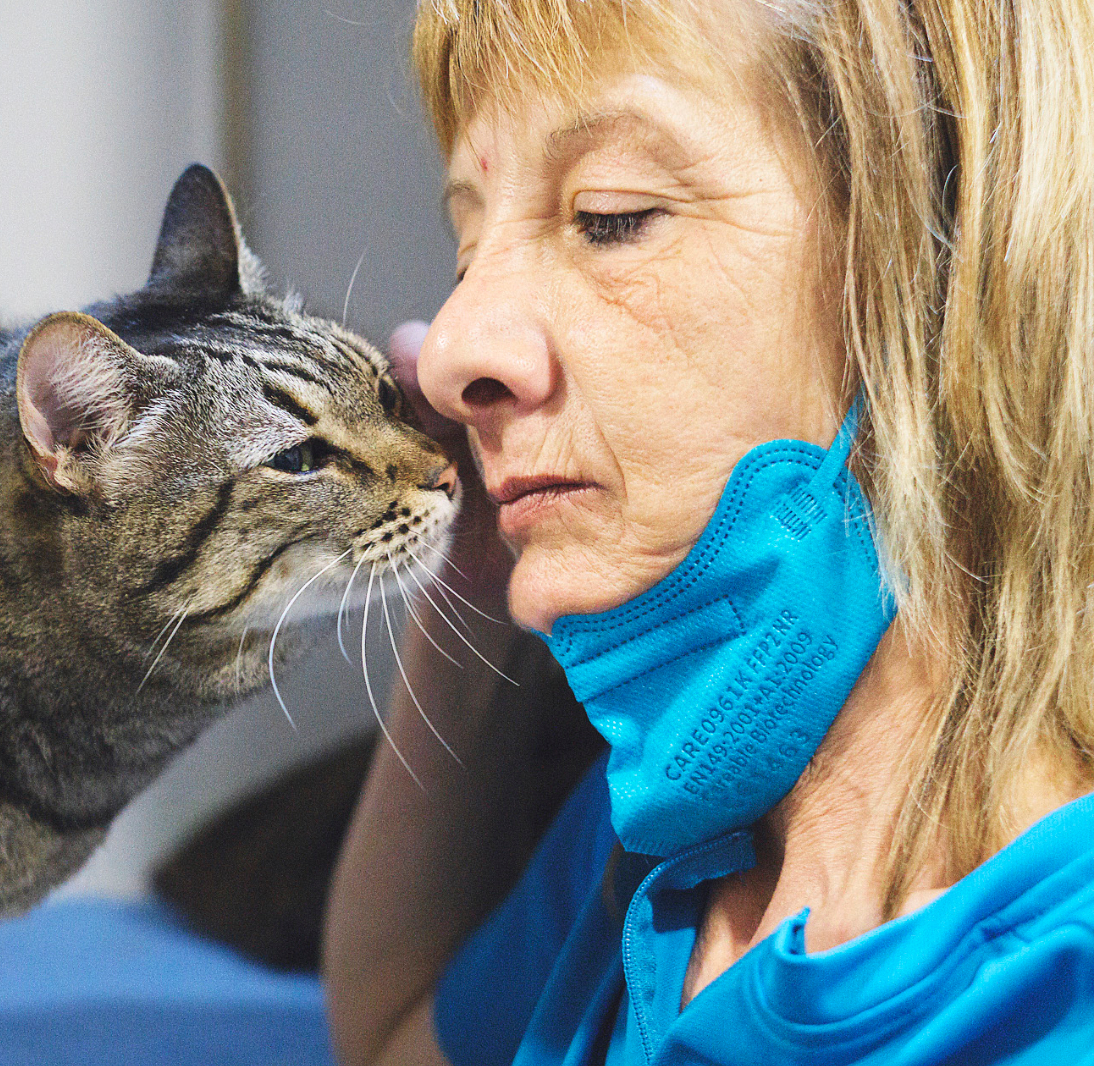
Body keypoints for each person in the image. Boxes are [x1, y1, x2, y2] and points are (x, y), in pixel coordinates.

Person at [322, 1, 1094, 1064]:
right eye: (466, 250)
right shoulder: (664, 839)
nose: (450, 346)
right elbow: (392, 1036)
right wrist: (469, 569)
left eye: (611, 215)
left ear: (951, 273)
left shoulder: (1056, 995)